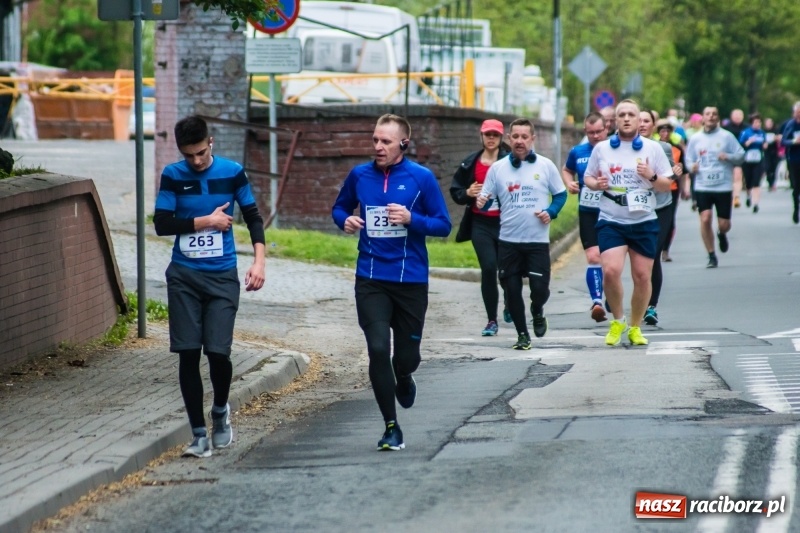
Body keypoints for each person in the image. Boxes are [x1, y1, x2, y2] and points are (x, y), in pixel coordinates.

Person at [331, 113, 451, 451]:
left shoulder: (421, 178)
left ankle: (405, 374)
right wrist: (347, 220)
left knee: (406, 357)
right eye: (375, 140)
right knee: (378, 349)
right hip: (371, 278)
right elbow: (339, 209)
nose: (378, 147)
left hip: (410, 279)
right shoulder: (360, 176)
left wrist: (413, 219)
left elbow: (443, 225)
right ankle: (390, 426)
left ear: (404, 144)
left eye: (385, 141)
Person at [153, 115, 266, 458]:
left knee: (218, 352)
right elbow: (161, 223)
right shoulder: (173, 176)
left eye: (201, 153)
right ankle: (198, 434)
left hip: (221, 277)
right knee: (188, 353)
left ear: (211, 142)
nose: (196, 161)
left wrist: (259, 262)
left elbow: (253, 217)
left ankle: (220, 409)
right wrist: (208, 220)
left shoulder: (232, 172)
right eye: (189, 155)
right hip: (184, 276)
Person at [583, 99, 672, 346]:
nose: (626, 118)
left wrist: (650, 176)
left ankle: (634, 326)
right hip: (612, 217)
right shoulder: (602, 149)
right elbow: (588, 177)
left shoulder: (652, 148)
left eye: (630, 114)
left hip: (643, 219)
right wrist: (596, 184)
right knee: (610, 271)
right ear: (615, 120)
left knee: (643, 276)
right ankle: (618, 320)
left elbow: (666, 184)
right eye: (621, 114)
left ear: (638, 118)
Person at [476, 118, 567, 350]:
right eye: (515, 136)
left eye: (524, 137)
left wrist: (551, 212)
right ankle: (522, 335)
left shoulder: (545, 166)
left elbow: (560, 194)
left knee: (540, 290)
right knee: (512, 290)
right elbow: (486, 203)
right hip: (508, 241)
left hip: (537, 241)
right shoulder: (498, 169)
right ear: (509, 138)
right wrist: (482, 202)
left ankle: (537, 310)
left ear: (532, 139)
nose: (519, 141)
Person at [450, 119, 512, 336]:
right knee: (488, 268)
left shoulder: (510, 161)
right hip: (480, 224)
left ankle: (509, 302)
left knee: (506, 271)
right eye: (488, 134)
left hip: (506, 224)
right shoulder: (470, 163)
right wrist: (468, 192)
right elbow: (456, 191)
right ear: (482, 136)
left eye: (495, 134)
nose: (491, 138)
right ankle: (491, 320)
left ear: (501, 137)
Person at [561, 111, 608, 322]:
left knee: (609, 261)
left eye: (599, 131)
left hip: (611, 212)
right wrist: (569, 182)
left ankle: (610, 292)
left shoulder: (614, 149)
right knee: (593, 257)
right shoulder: (577, 151)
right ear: (585, 131)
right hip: (588, 211)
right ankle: (597, 301)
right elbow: (567, 170)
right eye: (591, 133)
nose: (596, 136)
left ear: (606, 129)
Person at [685, 106, 745, 268]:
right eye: (707, 114)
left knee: (724, 224)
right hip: (702, 185)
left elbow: (741, 155)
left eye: (714, 114)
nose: (711, 117)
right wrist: (692, 167)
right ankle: (711, 255)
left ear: (718, 118)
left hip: (723, 185)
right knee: (705, 218)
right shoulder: (696, 139)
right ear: (702, 118)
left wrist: (728, 156)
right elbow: (688, 159)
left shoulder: (727, 137)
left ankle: (722, 233)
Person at [642, 115, 683, 326]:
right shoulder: (620, 150)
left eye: (646, 121)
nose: (641, 124)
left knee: (653, 254)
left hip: (661, 207)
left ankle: (651, 306)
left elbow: (670, 177)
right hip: (635, 209)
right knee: (634, 258)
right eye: (637, 120)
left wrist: (675, 174)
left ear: (653, 126)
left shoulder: (664, 148)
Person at [738, 113, 767, 213]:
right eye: (755, 122)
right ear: (751, 123)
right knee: (749, 181)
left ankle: (756, 204)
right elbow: (741, 145)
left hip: (758, 159)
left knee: (756, 181)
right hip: (747, 159)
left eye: (759, 122)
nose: (757, 124)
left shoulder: (762, 133)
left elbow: (764, 143)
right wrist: (748, 142)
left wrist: (765, 145)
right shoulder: (745, 132)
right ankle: (748, 195)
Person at [780, 102, 800, 224]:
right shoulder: (791, 125)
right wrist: (794, 141)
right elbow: (783, 141)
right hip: (795, 159)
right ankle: (796, 208)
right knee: (796, 186)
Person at [724, 109, 747, 208]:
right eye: (735, 115)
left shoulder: (747, 128)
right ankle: (727, 195)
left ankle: (736, 196)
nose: (737, 117)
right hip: (727, 156)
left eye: (739, 115)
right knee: (728, 177)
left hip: (740, 155)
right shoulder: (725, 128)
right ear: (731, 116)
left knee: (738, 175)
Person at [763, 117, 780, 192]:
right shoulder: (763, 131)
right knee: (767, 167)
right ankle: (769, 182)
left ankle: (773, 183)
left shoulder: (776, 131)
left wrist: (776, 138)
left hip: (774, 151)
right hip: (766, 152)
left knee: (774, 167)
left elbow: (780, 138)